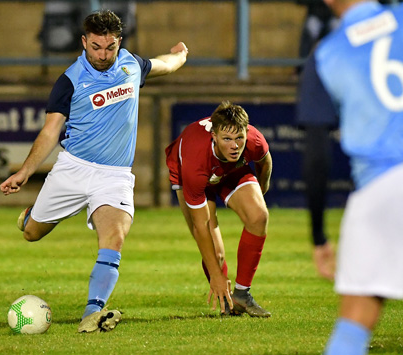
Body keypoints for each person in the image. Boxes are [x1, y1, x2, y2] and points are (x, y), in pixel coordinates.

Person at [0, 9, 189, 333]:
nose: (103, 55)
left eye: (110, 47)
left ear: (119, 43)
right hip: (73, 170)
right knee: (32, 234)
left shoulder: (131, 65)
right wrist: (26, 171)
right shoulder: (70, 80)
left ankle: (93, 312)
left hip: (114, 176)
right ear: (84, 42)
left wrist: (180, 56)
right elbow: (50, 132)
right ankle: (33, 215)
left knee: (114, 237)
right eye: (96, 47)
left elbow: (165, 65)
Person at [297, 0, 403, 353]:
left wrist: (318, 235)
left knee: (354, 325)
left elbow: (316, 156)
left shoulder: (325, 55)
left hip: (380, 191)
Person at [165, 101, 273, 317]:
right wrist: (216, 274)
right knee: (217, 255)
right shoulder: (195, 161)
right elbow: (201, 225)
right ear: (214, 136)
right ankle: (226, 302)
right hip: (192, 175)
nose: (235, 145)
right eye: (227, 139)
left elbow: (264, 162)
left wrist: (260, 190)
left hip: (230, 170)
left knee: (258, 216)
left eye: (239, 138)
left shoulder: (254, 138)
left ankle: (242, 295)